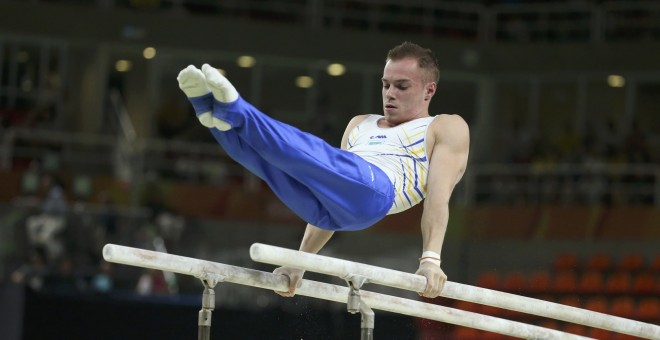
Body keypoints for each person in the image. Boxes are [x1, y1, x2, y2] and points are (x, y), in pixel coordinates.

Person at [177, 41, 470, 299]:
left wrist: (431, 259)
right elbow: (329, 180)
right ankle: (216, 119)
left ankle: (236, 109)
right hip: (333, 210)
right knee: (271, 165)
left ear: (429, 90)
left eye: (402, 86)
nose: (390, 93)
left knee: (306, 153)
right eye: (385, 84)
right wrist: (301, 263)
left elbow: (438, 200)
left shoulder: (446, 126)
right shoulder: (360, 123)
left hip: (378, 192)